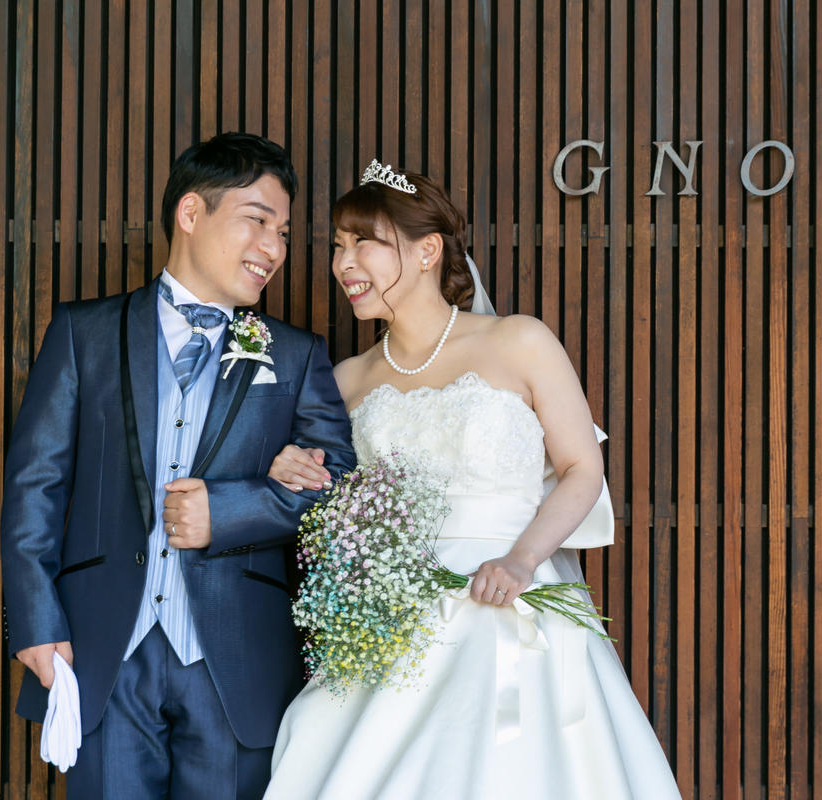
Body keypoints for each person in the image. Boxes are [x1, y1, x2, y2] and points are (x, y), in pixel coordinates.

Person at [263, 161, 681, 799]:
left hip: (511, 593)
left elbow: (582, 469)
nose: (343, 263)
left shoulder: (520, 341)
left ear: (427, 251)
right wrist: (290, 470)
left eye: (364, 243)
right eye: (338, 246)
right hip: (396, 623)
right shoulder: (345, 379)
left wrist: (521, 560)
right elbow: (326, 493)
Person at [0, 132, 356, 799]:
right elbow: (33, 488)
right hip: (104, 651)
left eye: (283, 233)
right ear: (191, 212)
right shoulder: (84, 334)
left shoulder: (295, 354)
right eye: (258, 221)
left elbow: (338, 486)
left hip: (238, 660)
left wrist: (231, 510)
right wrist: (36, 624)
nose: (275, 248)